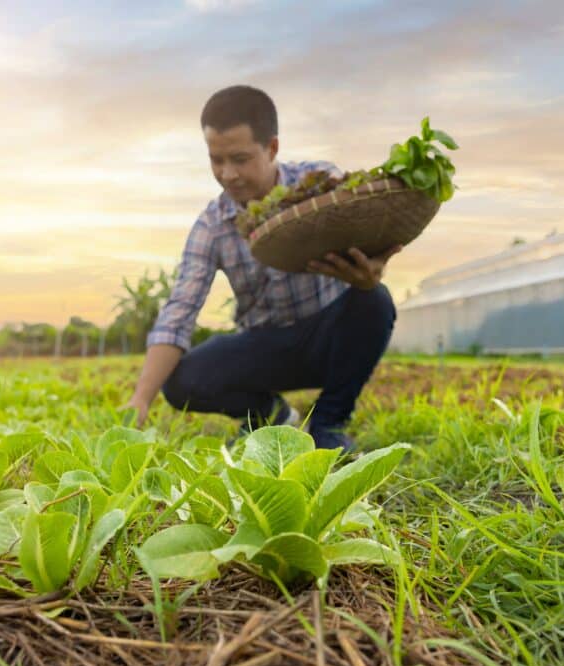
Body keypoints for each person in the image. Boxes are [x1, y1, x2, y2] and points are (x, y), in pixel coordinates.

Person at [123, 85, 401, 452]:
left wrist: (372, 271)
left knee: (374, 301)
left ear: (272, 148)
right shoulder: (212, 225)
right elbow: (180, 311)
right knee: (181, 381)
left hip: (329, 334)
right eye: (216, 160)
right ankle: (271, 414)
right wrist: (141, 398)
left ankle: (328, 424)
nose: (227, 174)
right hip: (266, 346)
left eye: (239, 159)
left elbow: (371, 243)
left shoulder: (320, 184)